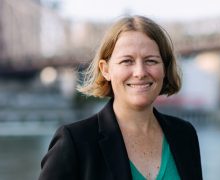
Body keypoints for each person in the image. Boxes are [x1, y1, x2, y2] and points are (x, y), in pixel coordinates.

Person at [39, 15, 203, 180]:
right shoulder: (74, 142)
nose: (140, 72)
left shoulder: (184, 135)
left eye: (151, 61)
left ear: (165, 69)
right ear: (106, 70)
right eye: (127, 61)